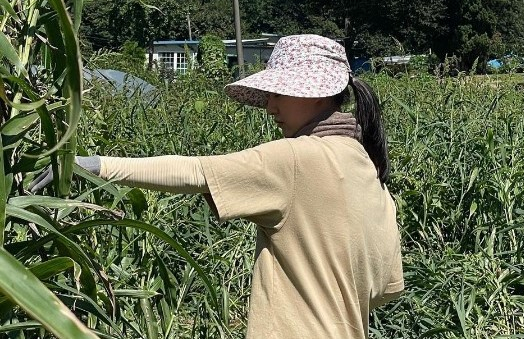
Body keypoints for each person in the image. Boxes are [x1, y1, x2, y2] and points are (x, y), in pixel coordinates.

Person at [31, 34, 404, 339]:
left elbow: (194, 171)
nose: (270, 108)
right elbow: (387, 288)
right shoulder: (367, 168)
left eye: (278, 93)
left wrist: (96, 165)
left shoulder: (296, 158)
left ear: (318, 93)